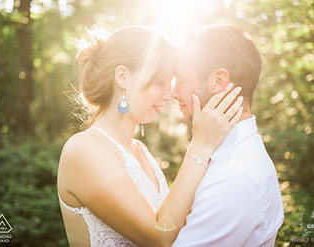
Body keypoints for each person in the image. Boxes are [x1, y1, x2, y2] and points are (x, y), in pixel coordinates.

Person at [57, 25, 244, 247]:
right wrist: (201, 145)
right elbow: (160, 235)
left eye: (172, 84)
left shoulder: (141, 152)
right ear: (123, 77)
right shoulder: (84, 150)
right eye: (160, 82)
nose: (169, 95)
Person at [172, 25, 284, 247]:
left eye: (182, 80)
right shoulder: (223, 154)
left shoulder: (235, 177)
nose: (174, 92)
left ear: (218, 81)